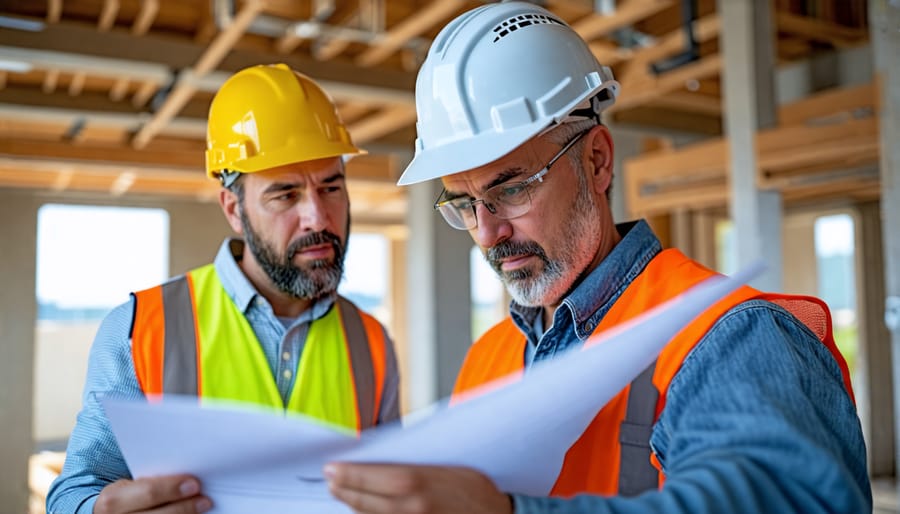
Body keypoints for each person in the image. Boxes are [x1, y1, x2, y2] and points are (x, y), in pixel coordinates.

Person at [325, 3, 870, 513]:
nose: (488, 232)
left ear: (597, 160)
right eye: (465, 204)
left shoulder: (728, 336)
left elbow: (779, 494)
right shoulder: (490, 357)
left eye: (512, 189)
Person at [47, 63, 401, 513]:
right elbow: (70, 495)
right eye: (285, 194)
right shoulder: (140, 330)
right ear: (234, 209)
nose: (318, 217)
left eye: (331, 187)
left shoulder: (371, 341)